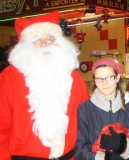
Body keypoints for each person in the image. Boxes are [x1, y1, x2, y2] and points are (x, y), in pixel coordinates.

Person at [0, 11, 89, 160]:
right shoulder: (10, 77)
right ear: (26, 45)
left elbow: (86, 125)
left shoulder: (74, 78)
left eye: (49, 39)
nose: (43, 45)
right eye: (36, 39)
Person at [74, 58, 129, 160]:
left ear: (117, 77)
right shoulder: (85, 109)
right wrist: (104, 158)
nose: (104, 83)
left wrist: (123, 146)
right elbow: (79, 148)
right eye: (99, 79)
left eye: (109, 77)